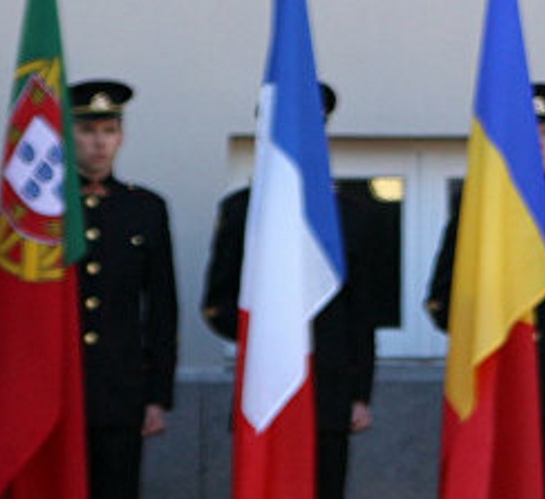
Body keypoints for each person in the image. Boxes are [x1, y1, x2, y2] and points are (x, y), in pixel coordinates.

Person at [425, 82, 545, 499]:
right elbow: (442, 297)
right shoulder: (479, 206)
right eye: (530, 133)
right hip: (496, 381)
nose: (540, 143)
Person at [201, 81, 378, 499]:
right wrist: (271, 335)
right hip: (266, 383)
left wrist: (359, 393)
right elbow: (217, 303)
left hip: (329, 391)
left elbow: (362, 314)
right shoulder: (242, 210)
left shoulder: (350, 216)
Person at [70, 79, 178, 499]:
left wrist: (158, 395)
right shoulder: (45, 209)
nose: (99, 142)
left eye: (109, 131)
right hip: (61, 387)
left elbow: (162, 307)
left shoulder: (145, 208)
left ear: (121, 136)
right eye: (87, 131)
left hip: (121, 391)